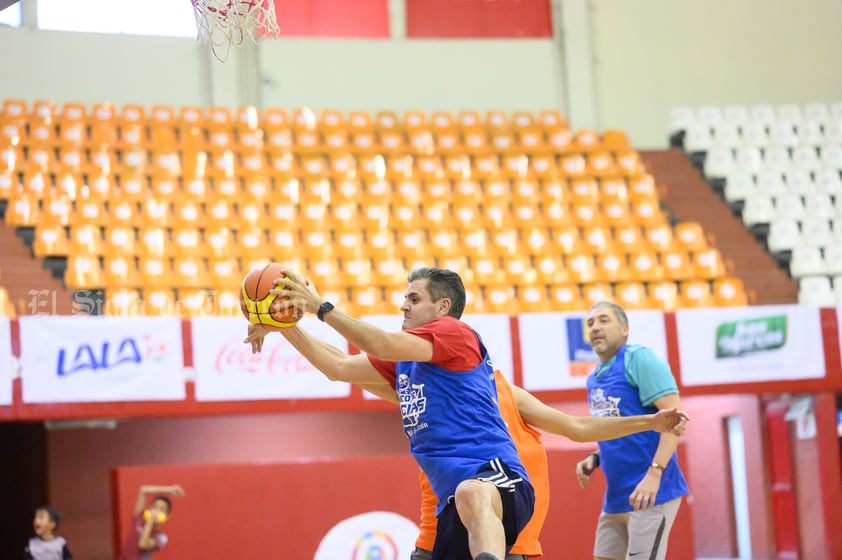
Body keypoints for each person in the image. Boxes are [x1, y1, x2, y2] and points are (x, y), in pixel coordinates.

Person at [244, 267, 688, 560]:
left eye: (412, 299)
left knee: (475, 494)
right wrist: (285, 324)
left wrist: (319, 306)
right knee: (464, 500)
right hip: (446, 514)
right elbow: (338, 366)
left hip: (500, 486)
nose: (403, 306)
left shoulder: (463, 341)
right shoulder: (409, 374)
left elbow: (575, 427)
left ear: (441, 310)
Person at [410, 370, 688, 560]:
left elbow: (576, 426)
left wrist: (649, 422)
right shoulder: (422, 390)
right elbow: (376, 356)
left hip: (511, 543)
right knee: (474, 491)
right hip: (440, 544)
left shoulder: (504, 392)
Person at [574, 301, 690, 560]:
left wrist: (655, 474)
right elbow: (620, 429)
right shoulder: (594, 378)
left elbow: (675, 422)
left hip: (652, 492)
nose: (595, 327)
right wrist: (596, 458)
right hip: (616, 497)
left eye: (604, 320)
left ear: (625, 329)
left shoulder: (638, 358)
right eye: (590, 323)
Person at [118, 484, 185, 560]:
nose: (156, 511)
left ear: (167, 515)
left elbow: (143, 544)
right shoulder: (139, 518)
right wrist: (170, 490)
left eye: (162, 509)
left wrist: (150, 521)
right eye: (154, 507)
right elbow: (143, 491)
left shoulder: (161, 537)